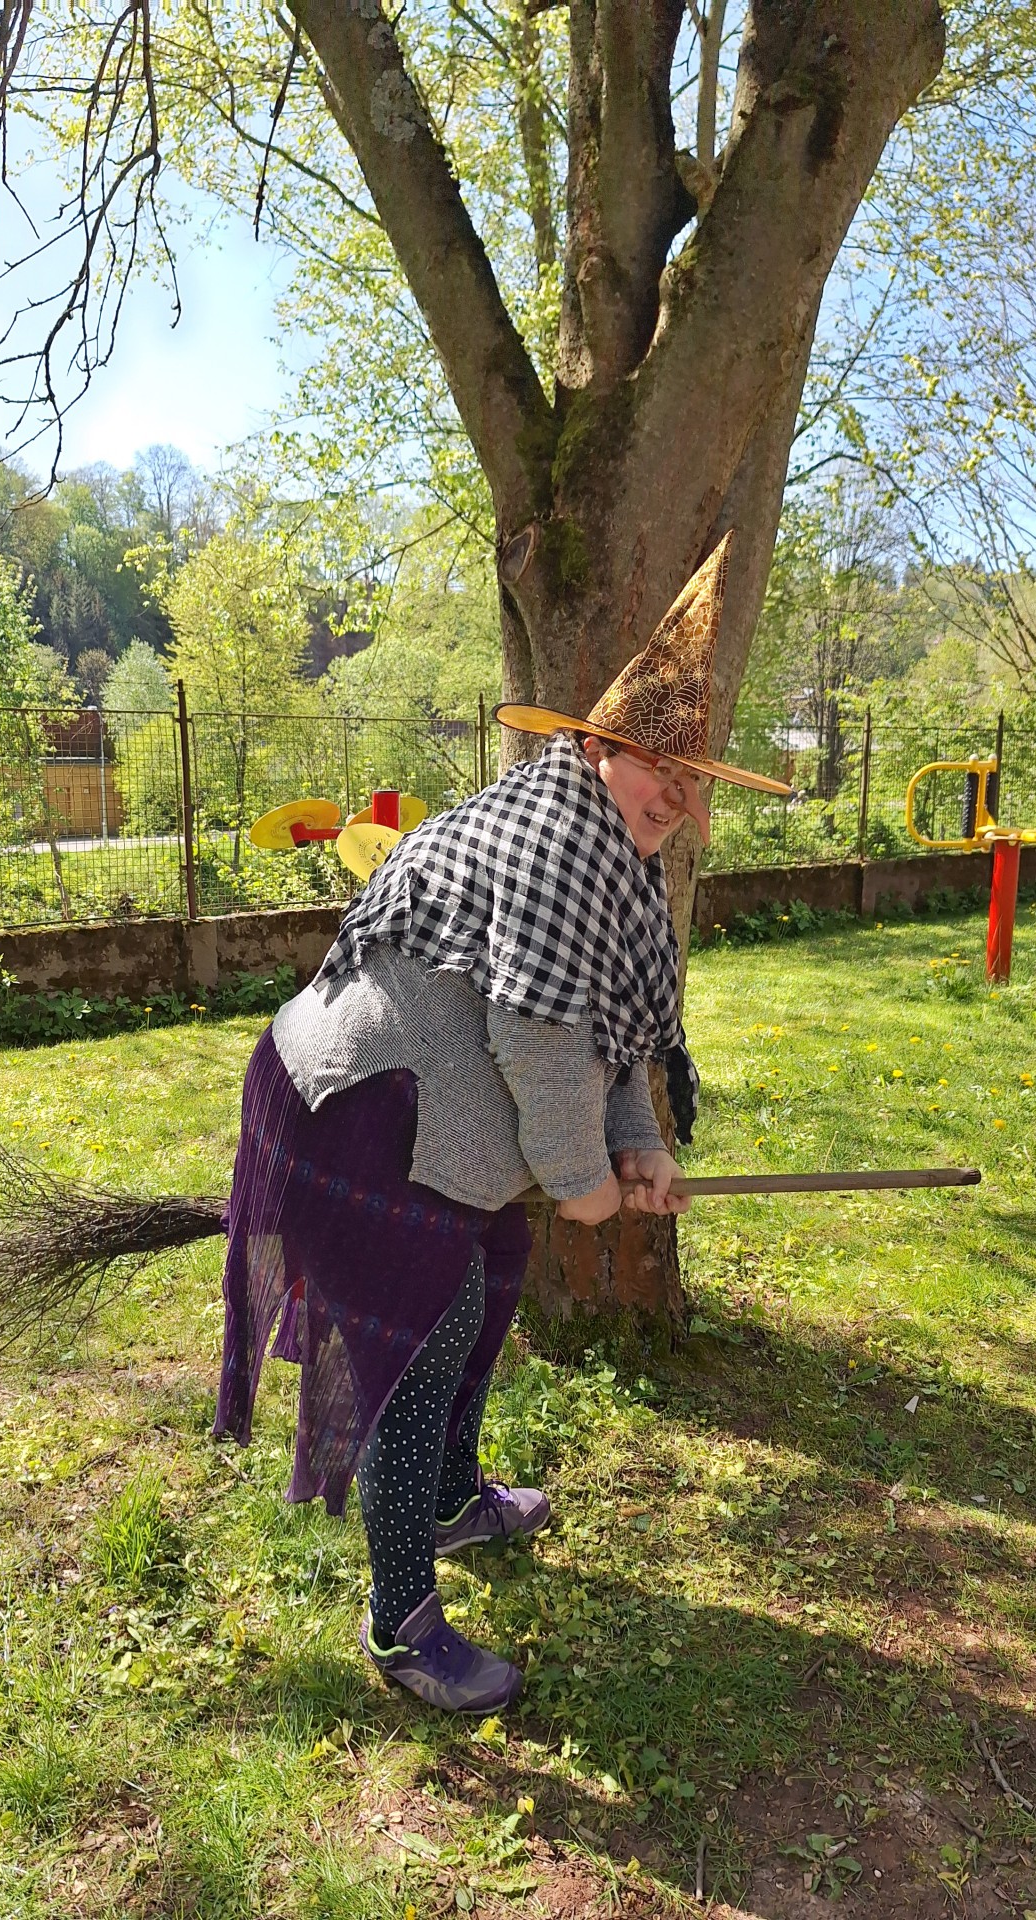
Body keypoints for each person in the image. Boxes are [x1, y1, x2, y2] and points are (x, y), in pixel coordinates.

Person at [212, 532, 789, 1713]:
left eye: (695, 782)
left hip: (421, 1116)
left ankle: (445, 1504)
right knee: (417, 1349)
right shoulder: (556, 843)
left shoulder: (611, 856)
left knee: (480, 1292)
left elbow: (606, 1032)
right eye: (660, 769)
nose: (679, 800)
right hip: (358, 1113)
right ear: (597, 747)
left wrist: (641, 1146)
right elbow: (538, 1041)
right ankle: (400, 1625)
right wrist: (586, 1183)